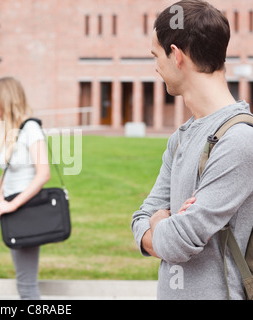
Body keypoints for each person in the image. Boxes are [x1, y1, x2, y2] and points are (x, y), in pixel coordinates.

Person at [131, 0, 253, 300]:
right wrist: (161, 225)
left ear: (176, 56)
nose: (156, 66)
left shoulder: (239, 140)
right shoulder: (182, 136)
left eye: (156, 55)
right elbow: (141, 217)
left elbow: (177, 242)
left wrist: (159, 223)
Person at [0, 76, 50, 300]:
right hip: (12, 210)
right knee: (23, 282)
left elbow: (44, 173)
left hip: (25, 210)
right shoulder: (10, 129)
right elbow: (8, 169)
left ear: (4, 99)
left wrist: (11, 205)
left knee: (26, 285)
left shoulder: (31, 128)